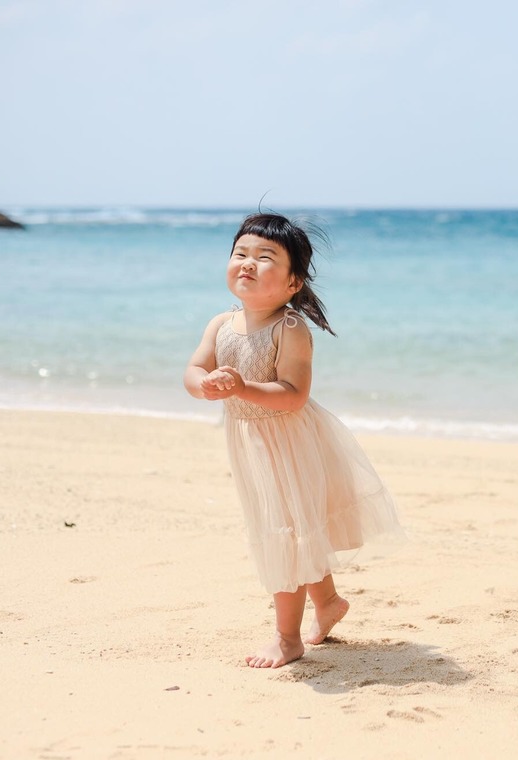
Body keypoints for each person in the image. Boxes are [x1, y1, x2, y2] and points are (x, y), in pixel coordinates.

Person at [185, 212, 403, 669]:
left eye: (265, 258)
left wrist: (242, 387)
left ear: (292, 284)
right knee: (297, 527)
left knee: (283, 533)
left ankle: (287, 639)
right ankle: (326, 604)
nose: (247, 263)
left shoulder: (290, 329)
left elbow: (293, 395)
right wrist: (204, 385)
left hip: (288, 439)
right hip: (250, 441)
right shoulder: (220, 324)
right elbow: (194, 369)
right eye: (240, 253)